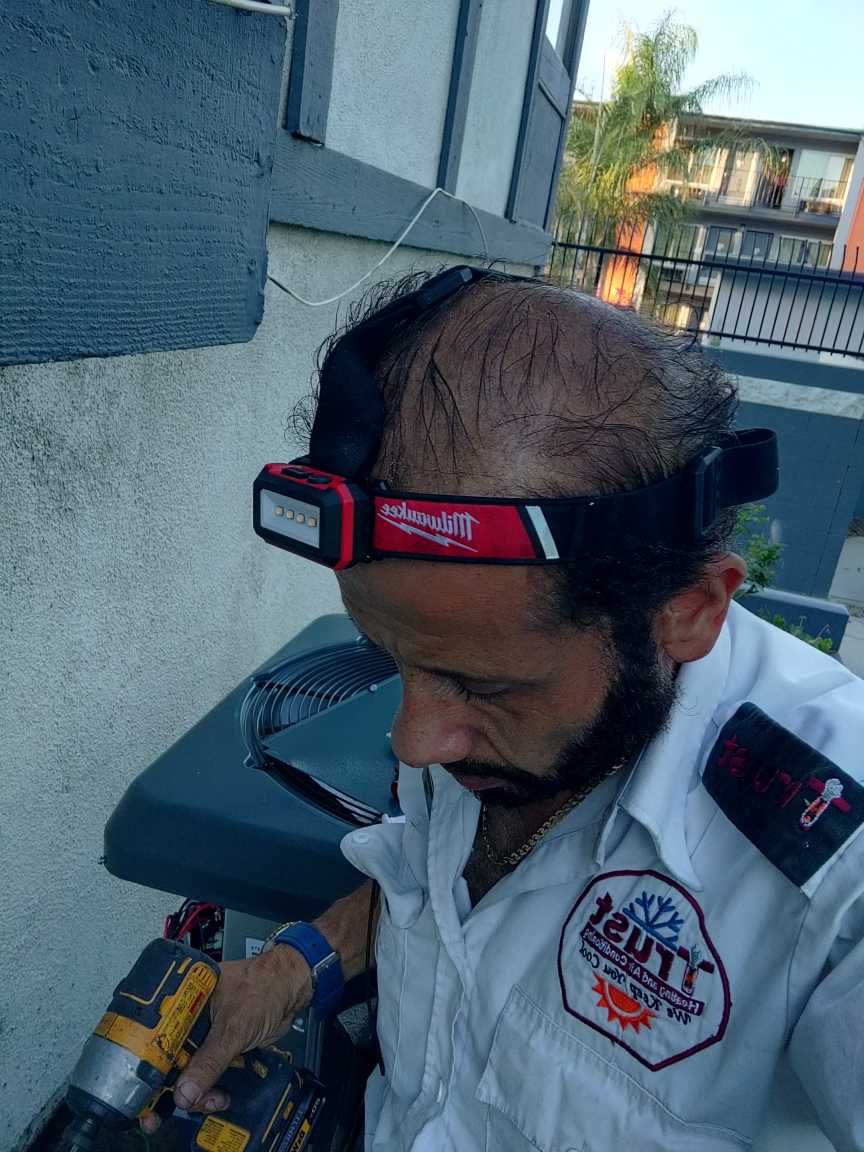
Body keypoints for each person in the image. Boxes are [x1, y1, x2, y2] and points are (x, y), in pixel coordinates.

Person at [144, 271, 864, 1151]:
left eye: (485, 686)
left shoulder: (836, 860)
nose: (415, 739)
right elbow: (434, 887)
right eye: (391, 656)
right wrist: (301, 966)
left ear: (687, 612)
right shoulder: (486, 711)